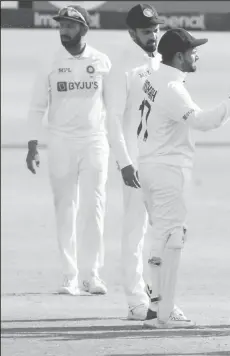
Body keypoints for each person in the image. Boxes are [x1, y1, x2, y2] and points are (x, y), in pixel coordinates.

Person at [137, 28, 230, 329]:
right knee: (172, 238)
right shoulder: (172, 88)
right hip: (168, 170)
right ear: (179, 56)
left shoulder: (155, 76)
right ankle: (163, 314)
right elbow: (204, 121)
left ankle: (157, 306)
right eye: (192, 51)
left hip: (151, 165)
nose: (196, 55)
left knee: (159, 238)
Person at [25, 5, 128, 296]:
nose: (64, 31)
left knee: (94, 207)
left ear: (84, 29)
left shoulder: (101, 61)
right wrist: (33, 144)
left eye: (70, 26)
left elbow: (113, 110)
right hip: (60, 141)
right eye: (61, 25)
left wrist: (119, 148)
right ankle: (69, 275)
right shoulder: (49, 60)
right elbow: (36, 107)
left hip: (94, 140)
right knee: (65, 208)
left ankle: (90, 275)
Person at [104, 3, 163, 321]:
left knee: (165, 231)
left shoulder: (160, 59)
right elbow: (112, 118)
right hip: (137, 164)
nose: (152, 36)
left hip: (162, 159)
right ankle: (135, 299)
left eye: (155, 29)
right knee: (135, 230)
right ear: (131, 33)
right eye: (145, 31)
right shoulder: (122, 65)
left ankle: (159, 297)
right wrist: (124, 162)